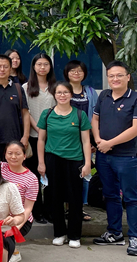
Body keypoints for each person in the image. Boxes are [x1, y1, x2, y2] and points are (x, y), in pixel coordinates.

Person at [91, 60, 137, 256]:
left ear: (128, 77)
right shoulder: (104, 96)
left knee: (131, 198)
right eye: (111, 76)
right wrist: (98, 139)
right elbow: (95, 119)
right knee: (111, 195)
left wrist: (110, 143)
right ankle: (114, 233)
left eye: (119, 75)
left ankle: (135, 238)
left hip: (126, 157)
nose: (115, 79)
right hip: (104, 156)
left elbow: (136, 128)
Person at [37, 81, 92, 248]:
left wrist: (87, 163)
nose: (62, 95)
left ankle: (74, 235)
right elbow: (41, 140)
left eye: (65, 92)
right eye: (59, 92)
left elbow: (86, 141)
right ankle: (59, 233)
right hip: (52, 160)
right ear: (54, 95)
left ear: (71, 95)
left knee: (75, 198)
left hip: (74, 160)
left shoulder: (80, 115)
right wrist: (41, 162)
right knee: (55, 197)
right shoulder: (47, 114)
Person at [64, 59, 99, 218]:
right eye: (72, 70)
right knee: (67, 174)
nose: (76, 73)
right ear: (67, 73)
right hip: (67, 139)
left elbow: (96, 117)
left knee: (84, 172)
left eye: (79, 70)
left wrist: (94, 140)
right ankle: (67, 206)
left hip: (86, 138)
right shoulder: (62, 89)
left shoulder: (90, 92)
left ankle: (80, 207)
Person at [24, 53, 56, 223]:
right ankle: (37, 211)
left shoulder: (55, 87)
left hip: (52, 137)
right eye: (39, 64)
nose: (42, 67)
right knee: (34, 175)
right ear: (34, 67)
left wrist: (47, 130)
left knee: (51, 175)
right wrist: (38, 128)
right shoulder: (26, 87)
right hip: (33, 136)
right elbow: (26, 112)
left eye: (46, 64)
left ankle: (51, 210)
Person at [0, 55, 30, 159]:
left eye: (5, 66)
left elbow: (25, 113)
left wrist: (25, 136)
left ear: (10, 69)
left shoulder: (18, 88)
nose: (2, 69)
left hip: (15, 140)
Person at [1, 141, 38, 262]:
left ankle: (14, 252)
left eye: (17, 154)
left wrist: (16, 228)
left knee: (2, 237)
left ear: (24, 156)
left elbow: (28, 208)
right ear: (5, 155)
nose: (13, 157)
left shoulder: (31, 179)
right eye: (10, 153)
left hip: (20, 219)